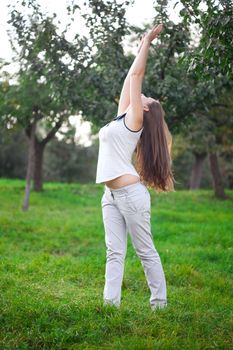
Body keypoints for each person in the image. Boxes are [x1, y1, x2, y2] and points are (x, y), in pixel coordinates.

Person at [95, 24, 176, 310]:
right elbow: (131, 76)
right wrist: (140, 46)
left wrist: (146, 44)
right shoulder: (121, 118)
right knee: (113, 252)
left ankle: (160, 304)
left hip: (131, 195)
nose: (141, 94)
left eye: (145, 97)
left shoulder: (135, 122)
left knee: (144, 251)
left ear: (144, 110)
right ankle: (110, 306)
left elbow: (137, 76)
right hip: (111, 196)